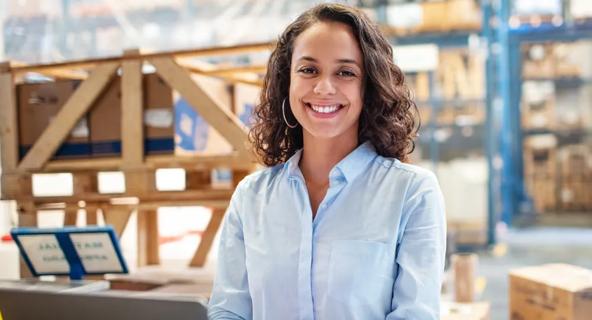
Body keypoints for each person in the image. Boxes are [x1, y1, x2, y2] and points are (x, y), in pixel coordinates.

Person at [208, 3, 446, 320]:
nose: (324, 87)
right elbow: (228, 311)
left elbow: (415, 314)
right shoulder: (251, 198)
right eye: (309, 70)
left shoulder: (412, 194)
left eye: (345, 72)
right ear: (287, 82)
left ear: (368, 87)